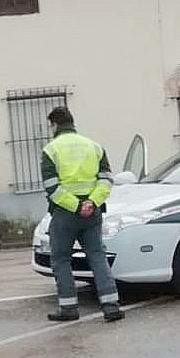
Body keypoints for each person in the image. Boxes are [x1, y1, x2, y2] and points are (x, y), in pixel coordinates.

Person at [40, 106, 122, 323]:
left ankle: (68, 308)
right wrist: (91, 203)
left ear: (54, 125)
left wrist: (75, 206)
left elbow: (52, 187)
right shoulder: (94, 146)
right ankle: (111, 306)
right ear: (72, 123)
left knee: (61, 259)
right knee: (97, 256)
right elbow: (106, 179)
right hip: (93, 212)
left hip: (65, 213)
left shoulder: (51, 150)